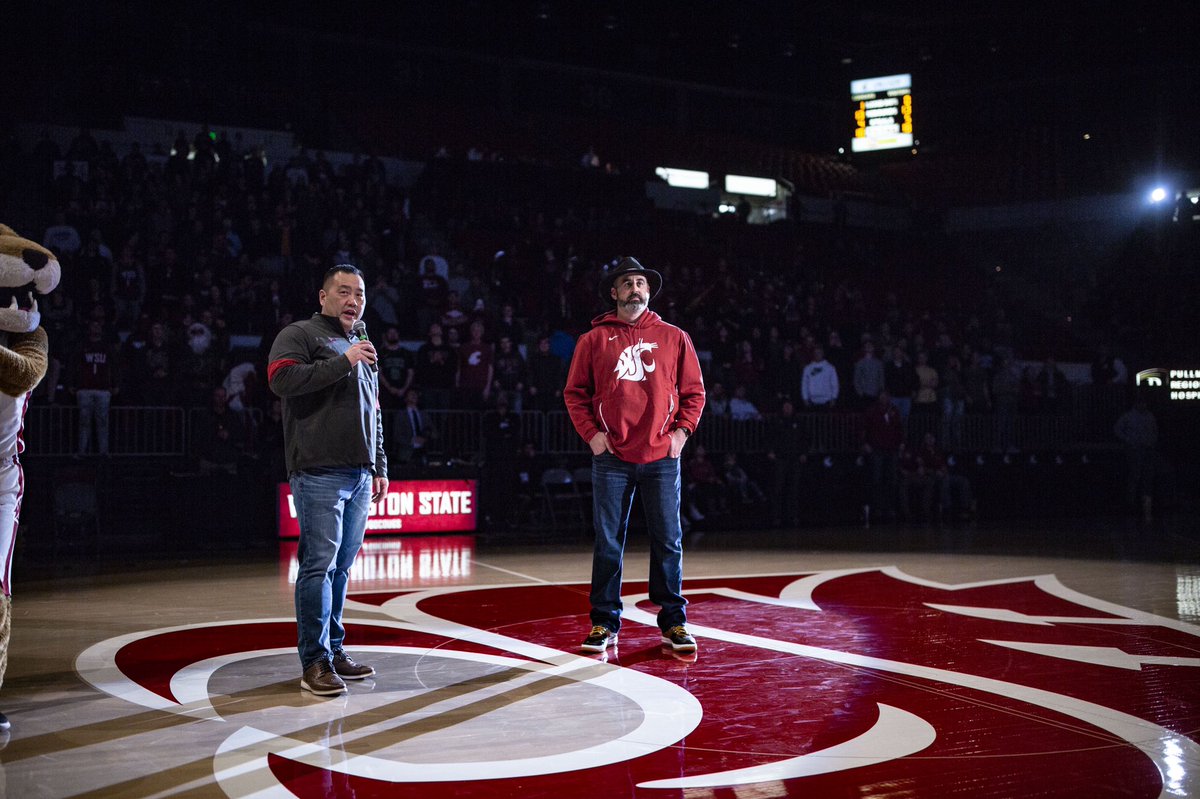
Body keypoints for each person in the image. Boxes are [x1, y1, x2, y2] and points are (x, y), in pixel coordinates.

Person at [564, 257, 705, 654]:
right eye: (627, 283)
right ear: (614, 292)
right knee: (609, 542)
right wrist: (592, 435)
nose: (635, 289)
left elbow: (695, 392)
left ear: (649, 291)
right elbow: (574, 394)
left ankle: (673, 622)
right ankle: (604, 622)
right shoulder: (592, 340)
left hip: (662, 456)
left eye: (641, 283)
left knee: (668, 540)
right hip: (612, 456)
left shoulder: (674, 336)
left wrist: (681, 433)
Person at [267, 265, 388, 697]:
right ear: (323, 297)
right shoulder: (300, 334)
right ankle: (314, 662)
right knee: (318, 566)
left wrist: (379, 464)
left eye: (360, 294)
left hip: (359, 474)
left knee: (341, 568)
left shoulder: (362, 344)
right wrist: (344, 361)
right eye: (343, 292)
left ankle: (334, 651)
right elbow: (281, 380)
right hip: (318, 469)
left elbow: (374, 410)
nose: (353, 300)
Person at [1114, 396, 1159, 520]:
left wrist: (1152, 442)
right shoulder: (1128, 416)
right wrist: (1129, 440)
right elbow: (1117, 429)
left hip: (1148, 450)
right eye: (1141, 403)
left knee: (1147, 477)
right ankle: (1131, 505)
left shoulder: (1150, 416)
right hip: (1134, 451)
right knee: (1135, 476)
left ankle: (1145, 506)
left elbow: (1154, 430)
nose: (1143, 405)